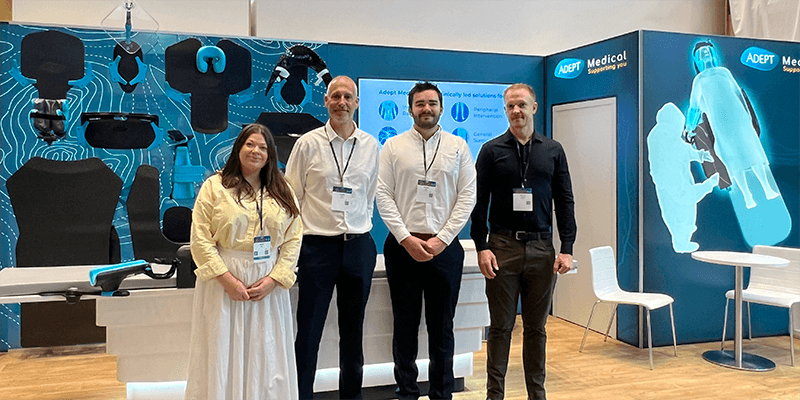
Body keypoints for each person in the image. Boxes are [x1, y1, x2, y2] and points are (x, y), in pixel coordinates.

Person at [470, 83, 576, 400]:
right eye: (510, 106)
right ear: (505, 110)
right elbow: (478, 202)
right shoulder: (491, 151)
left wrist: (567, 248)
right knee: (500, 329)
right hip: (502, 246)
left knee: (536, 329)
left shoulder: (553, 150)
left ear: (534, 107)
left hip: (543, 249)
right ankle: (494, 395)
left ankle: (537, 395)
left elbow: (566, 201)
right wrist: (481, 246)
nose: (516, 111)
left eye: (521, 104)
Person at [185, 123, 303, 400]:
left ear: (270, 154)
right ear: (238, 148)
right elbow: (200, 238)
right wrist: (228, 281)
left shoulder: (282, 188)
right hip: (224, 282)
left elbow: (293, 237)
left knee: (267, 351)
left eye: (263, 147)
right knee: (221, 349)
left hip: (268, 284)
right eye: (250, 144)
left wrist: (274, 279)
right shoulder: (215, 186)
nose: (256, 151)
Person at [376, 81, 476, 400]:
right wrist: (406, 239)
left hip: (445, 250)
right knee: (404, 327)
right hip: (403, 248)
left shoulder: (458, 147)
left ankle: (442, 393)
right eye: (420, 104)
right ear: (410, 109)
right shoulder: (392, 146)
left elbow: (467, 196)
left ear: (441, 108)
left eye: (432, 103)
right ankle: (406, 392)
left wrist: (442, 240)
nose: (426, 109)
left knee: (442, 328)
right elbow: (383, 195)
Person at [285, 75, 380, 400]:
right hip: (316, 249)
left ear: (356, 103)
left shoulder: (371, 145)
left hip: (358, 247)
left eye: (348, 97)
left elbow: (369, 196)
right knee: (308, 333)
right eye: (335, 96)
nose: (341, 102)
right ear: (325, 101)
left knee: (353, 334)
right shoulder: (308, 143)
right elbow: (291, 198)